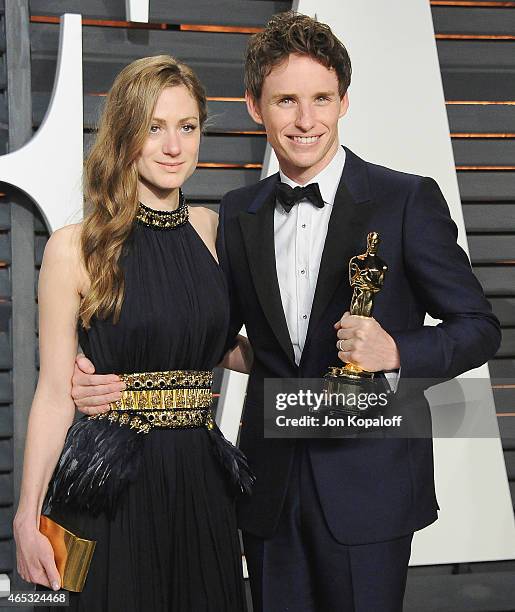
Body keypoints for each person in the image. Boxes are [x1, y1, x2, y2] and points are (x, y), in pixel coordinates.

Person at [71, 12, 501, 612]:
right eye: (286, 101)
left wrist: (399, 351)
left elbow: (480, 329)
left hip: (368, 488)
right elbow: (208, 334)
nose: (305, 121)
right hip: (265, 490)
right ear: (255, 106)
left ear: (344, 102)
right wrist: (95, 369)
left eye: (322, 99)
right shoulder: (237, 213)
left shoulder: (406, 200)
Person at [13, 55, 252, 611]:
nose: (173, 146)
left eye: (187, 127)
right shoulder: (74, 248)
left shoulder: (211, 229)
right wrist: (26, 517)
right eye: (154, 126)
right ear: (125, 133)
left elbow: (217, 345)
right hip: (108, 484)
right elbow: (53, 393)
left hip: (200, 479)